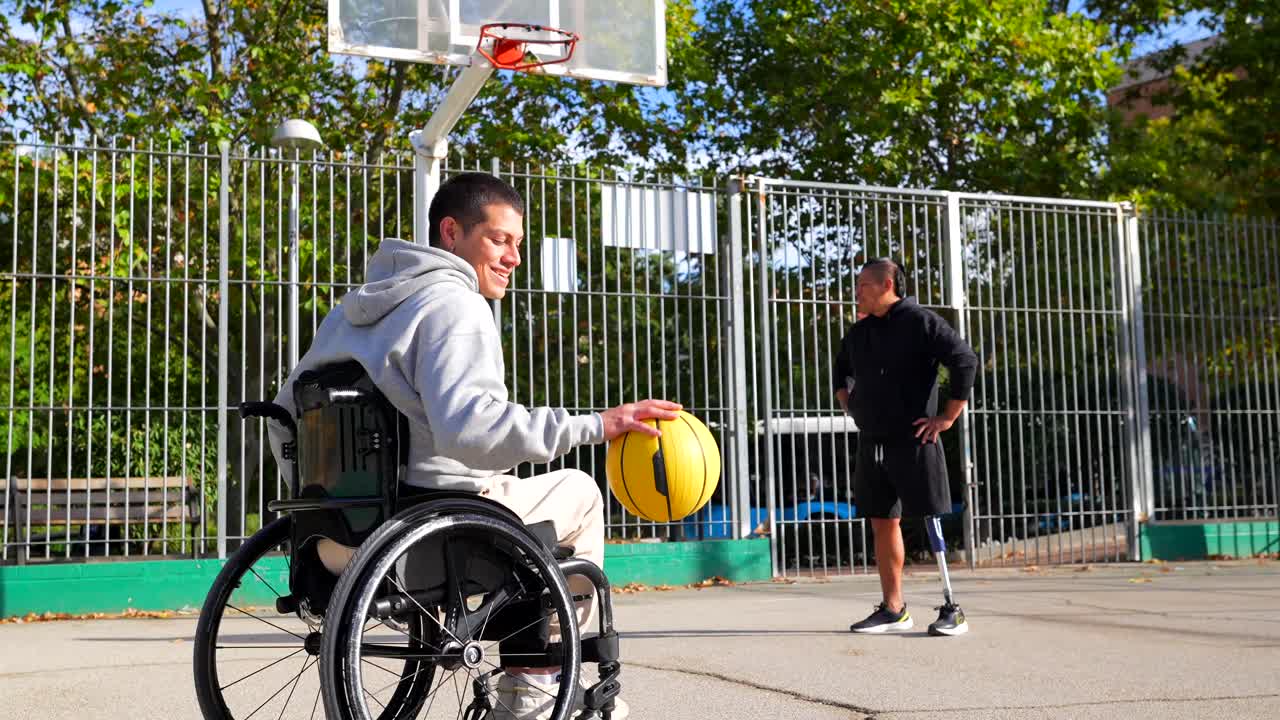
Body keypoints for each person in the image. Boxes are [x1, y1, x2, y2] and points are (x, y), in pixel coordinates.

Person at [268, 172, 676, 718]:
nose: (513, 258)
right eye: (499, 239)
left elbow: (283, 418)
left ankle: (529, 670)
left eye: (519, 244)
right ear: (451, 232)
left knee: (504, 494)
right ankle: (535, 682)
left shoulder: (351, 312)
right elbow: (473, 431)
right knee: (578, 493)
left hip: (333, 538)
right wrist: (597, 425)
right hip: (423, 539)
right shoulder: (455, 305)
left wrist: (320, 502)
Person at [832, 258, 978, 636]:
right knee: (882, 519)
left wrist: (946, 418)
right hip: (873, 441)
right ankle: (893, 609)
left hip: (914, 437)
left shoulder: (920, 321)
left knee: (929, 516)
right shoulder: (859, 333)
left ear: (886, 285)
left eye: (863, 284)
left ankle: (952, 609)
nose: (857, 291)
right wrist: (852, 406)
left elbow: (964, 361)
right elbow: (840, 371)